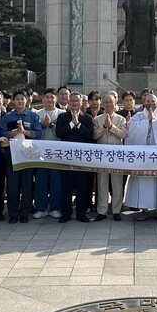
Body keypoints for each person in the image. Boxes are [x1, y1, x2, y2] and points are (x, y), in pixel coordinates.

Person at [125, 92, 157, 220]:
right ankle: (144, 210)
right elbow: (131, 131)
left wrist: (155, 121)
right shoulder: (138, 116)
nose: (150, 104)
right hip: (143, 157)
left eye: (153, 101)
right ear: (144, 103)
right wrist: (147, 122)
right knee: (144, 183)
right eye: (148, 102)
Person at [0, 88, 43, 224]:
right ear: (13, 101)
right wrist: (13, 133)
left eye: (22, 99)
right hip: (11, 156)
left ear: (27, 100)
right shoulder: (7, 117)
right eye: (17, 99)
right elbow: (2, 133)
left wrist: (24, 131)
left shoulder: (33, 116)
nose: (19, 101)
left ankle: (24, 213)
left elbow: (37, 134)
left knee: (27, 185)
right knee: (12, 186)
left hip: (28, 156)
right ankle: (13, 214)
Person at [56, 91, 95, 223]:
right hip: (66, 158)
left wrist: (78, 124)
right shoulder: (62, 117)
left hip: (82, 159)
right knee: (66, 187)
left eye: (77, 101)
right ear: (68, 102)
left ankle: (81, 213)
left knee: (82, 187)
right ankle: (66, 213)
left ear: (81, 102)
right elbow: (59, 133)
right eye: (72, 100)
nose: (74, 103)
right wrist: (71, 124)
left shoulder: (87, 118)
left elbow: (90, 135)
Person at [93, 92, 128, 221]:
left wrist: (111, 127)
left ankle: (116, 210)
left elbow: (123, 134)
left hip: (117, 156)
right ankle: (102, 211)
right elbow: (95, 135)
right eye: (106, 102)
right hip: (102, 156)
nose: (108, 104)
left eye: (111, 102)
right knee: (102, 183)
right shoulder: (97, 119)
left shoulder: (121, 119)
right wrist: (104, 126)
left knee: (117, 184)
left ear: (115, 104)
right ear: (103, 104)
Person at [34, 89, 62, 219]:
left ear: (56, 99)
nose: (49, 100)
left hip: (57, 153)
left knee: (56, 182)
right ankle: (41, 208)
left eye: (52, 97)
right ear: (43, 99)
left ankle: (55, 208)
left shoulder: (62, 114)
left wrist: (51, 125)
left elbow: (63, 133)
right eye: (47, 97)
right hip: (40, 154)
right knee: (41, 181)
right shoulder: (36, 114)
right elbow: (34, 132)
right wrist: (42, 125)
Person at [124, 0, 157, 69]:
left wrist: (154, 28)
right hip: (136, 27)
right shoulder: (133, 1)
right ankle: (135, 61)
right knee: (136, 45)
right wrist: (128, 13)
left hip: (147, 27)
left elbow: (153, 16)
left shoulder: (151, 1)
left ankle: (146, 62)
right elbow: (131, 15)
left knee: (147, 47)